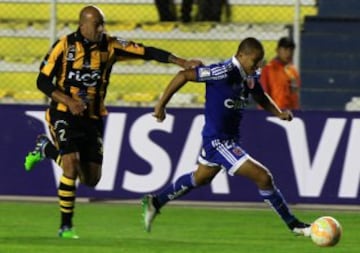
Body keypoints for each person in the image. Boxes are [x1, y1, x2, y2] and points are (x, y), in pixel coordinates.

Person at [23, 5, 202, 239]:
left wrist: (181, 61)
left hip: (93, 118)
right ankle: (66, 227)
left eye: (102, 24)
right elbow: (42, 81)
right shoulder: (64, 45)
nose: (101, 28)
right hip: (63, 114)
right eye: (97, 24)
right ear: (83, 24)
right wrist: (68, 100)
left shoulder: (111, 46)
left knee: (91, 179)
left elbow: (146, 51)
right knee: (70, 164)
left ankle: (46, 148)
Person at [141, 37, 311, 237]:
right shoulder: (221, 72)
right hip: (218, 142)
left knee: (200, 178)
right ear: (241, 55)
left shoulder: (249, 75)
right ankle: (294, 225)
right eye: (254, 61)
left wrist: (278, 112)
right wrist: (161, 105)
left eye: (259, 62)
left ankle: (156, 201)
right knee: (263, 177)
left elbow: (260, 95)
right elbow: (183, 75)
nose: (257, 66)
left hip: (227, 138)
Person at [259, 37, 301, 110]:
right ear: (278, 50)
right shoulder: (268, 69)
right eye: (285, 49)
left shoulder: (293, 71)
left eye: (291, 50)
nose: (288, 53)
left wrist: (296, 112)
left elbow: (295, 97)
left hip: (290, 113)